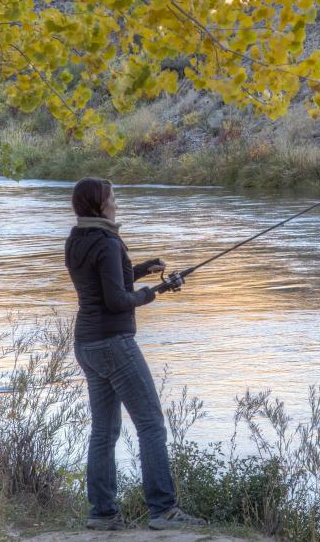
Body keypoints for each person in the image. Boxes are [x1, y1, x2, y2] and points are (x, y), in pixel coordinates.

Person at [65, 177, 207, 531]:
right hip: (114, 343)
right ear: (100, 204)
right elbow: (116, 299)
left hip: (86, 344)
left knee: (103, 431)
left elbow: (106, 280)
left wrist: (142, 269)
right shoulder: (108, 242)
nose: (116, 200)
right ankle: (164, 511)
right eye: (112, 196)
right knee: (151, 424)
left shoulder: (77, 239)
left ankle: (102, 514)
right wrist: (154, 291)